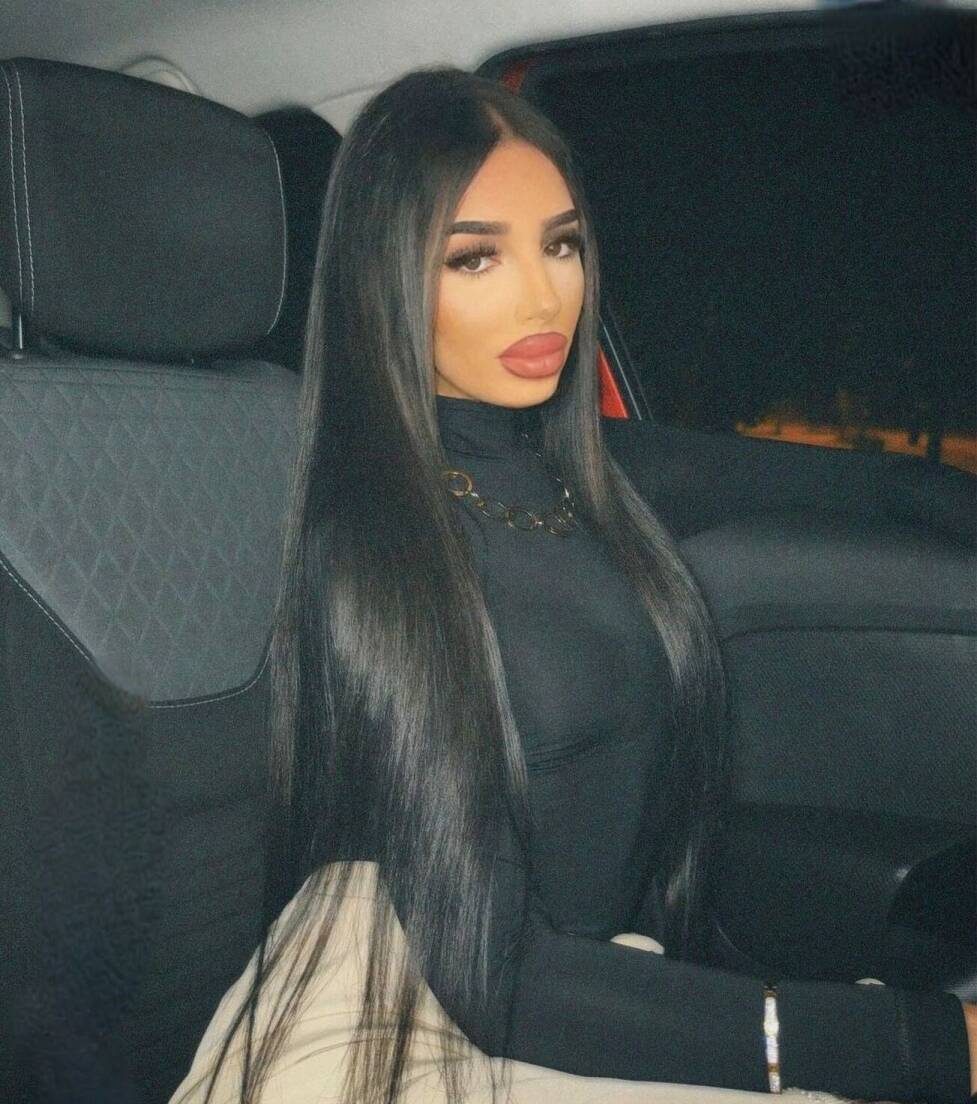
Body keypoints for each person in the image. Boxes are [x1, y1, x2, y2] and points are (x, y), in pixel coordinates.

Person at [170, 68, 976, 1104]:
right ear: (383, 279)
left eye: (559, 244)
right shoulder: (374, 550)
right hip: (453, 1018)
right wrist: (907, 1043)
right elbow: (492, 975)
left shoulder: (588, 473)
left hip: (595, 988)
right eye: (474, 257)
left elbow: (874, 487)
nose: (541, 294)